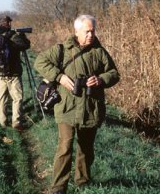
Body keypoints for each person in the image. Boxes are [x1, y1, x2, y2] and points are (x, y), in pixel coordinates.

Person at [34, 14, 120, 194]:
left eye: (93, 31)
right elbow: (40, 62)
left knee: (86, 148)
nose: (90, 34)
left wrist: (100, 79)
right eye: (87, 31)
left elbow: (114, 73)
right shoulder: (62, 49)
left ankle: (83, 182)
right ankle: (58, 187)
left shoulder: (99, 51)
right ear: (76, 32)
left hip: (91, 108)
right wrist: (60, 77)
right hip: (67, 108)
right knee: (65, 147)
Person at [0, 16, 30, 130]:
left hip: (0, 72)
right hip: (14, 73)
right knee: (17, 98)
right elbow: (26, 45)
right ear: (8, 24)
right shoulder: (14, 36)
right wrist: (23, 36)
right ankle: (16, 122)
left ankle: (2, 122)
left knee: (2, 98)